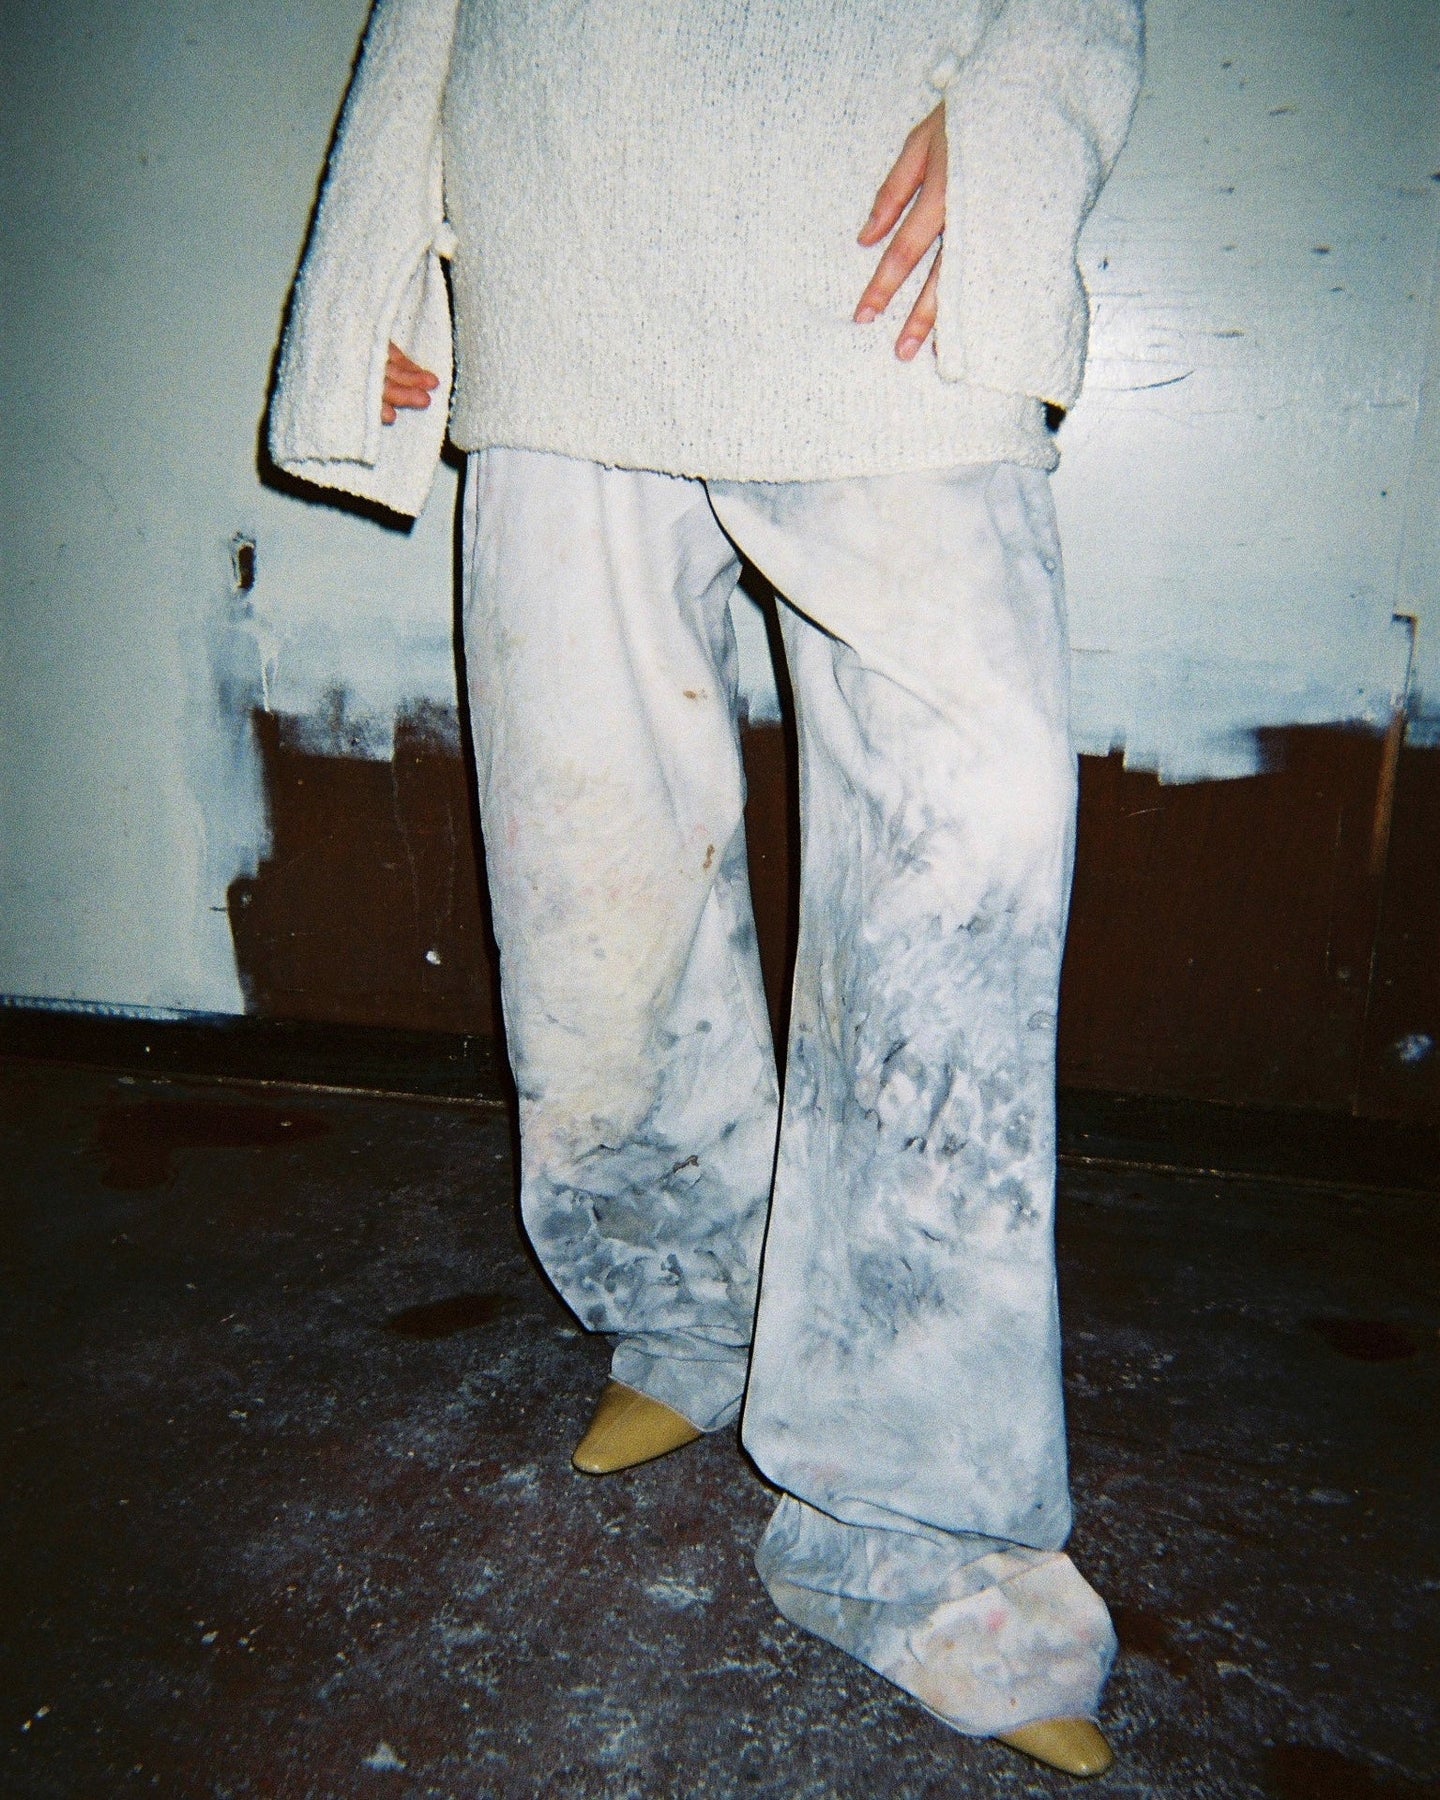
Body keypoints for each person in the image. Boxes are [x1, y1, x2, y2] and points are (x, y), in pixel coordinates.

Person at [270, 0, 1144, 1776]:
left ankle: (920, 1528)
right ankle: (686, 1305)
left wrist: (1037, 94)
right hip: (562, 207)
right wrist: (377, 267)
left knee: (956, 898)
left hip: (875, 209)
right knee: (595, 870)